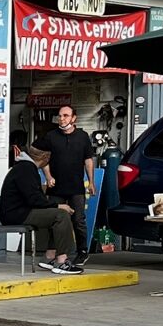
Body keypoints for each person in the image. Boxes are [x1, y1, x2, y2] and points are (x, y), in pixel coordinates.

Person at [0, 146, 81, 273]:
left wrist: (54, 205)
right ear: (45, 157)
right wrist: (57, 206)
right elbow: (34, 199)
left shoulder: (23, 167)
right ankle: (61, 261)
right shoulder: (26, 169)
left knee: (58, 214)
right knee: (60, 215)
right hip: (16, 214)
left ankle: (49, 257)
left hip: (18, 211)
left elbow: (35, 198)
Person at [37, 104, 97, 262]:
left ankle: (82, 251)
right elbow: (42, 158)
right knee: (54, 219)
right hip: (56, 187)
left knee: (78, 220)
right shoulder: (51, 136)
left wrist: (91, 182)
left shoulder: (83, 136)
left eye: (65, 115)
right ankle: (53, 252)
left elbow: (88, 160)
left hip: (76, 186)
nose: (62, 119)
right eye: (60, 116)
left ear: (73, 118)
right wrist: (48, 176)